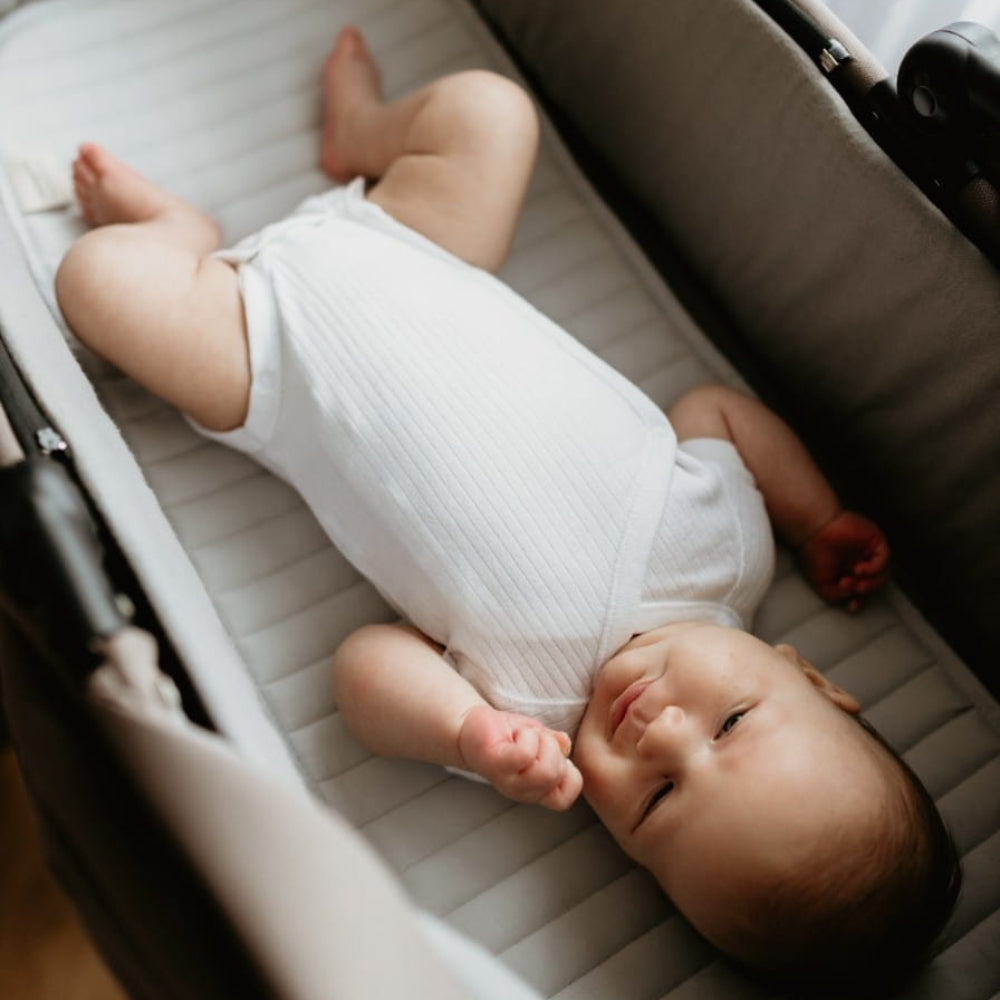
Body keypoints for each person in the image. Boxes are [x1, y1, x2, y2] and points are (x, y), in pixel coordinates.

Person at [54, 26, 959, 990]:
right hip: (421, 245)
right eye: (731, 723)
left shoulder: (526, 713)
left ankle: (181, 238)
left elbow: (363, 672)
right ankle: (364, 133)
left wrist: (464, 737)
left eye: (657, 799)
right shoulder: (730, 551)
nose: (661, 733)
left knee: (95, 285)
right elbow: (714, 413)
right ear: (807, 674)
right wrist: (813, 518)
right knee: (490, 112)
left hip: (268, 358)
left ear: (629, 850)